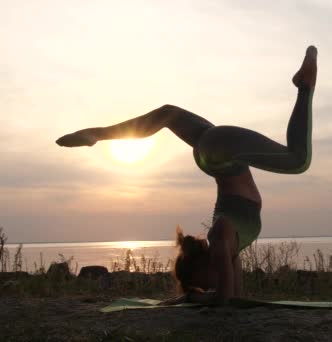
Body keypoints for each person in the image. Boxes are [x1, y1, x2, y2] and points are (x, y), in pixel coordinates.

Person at [56, 46, 318, 304]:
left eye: (203, 284)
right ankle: (97, 134)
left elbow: (223, 298)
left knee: (297, 160)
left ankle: (304, 86)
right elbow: (235, 299)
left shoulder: (219, 236)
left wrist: (191, 297)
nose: (210, 286)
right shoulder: (230, 246)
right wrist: (187, 298)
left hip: (221, 152)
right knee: (168, 115)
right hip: (215, 150)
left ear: (202, 268)